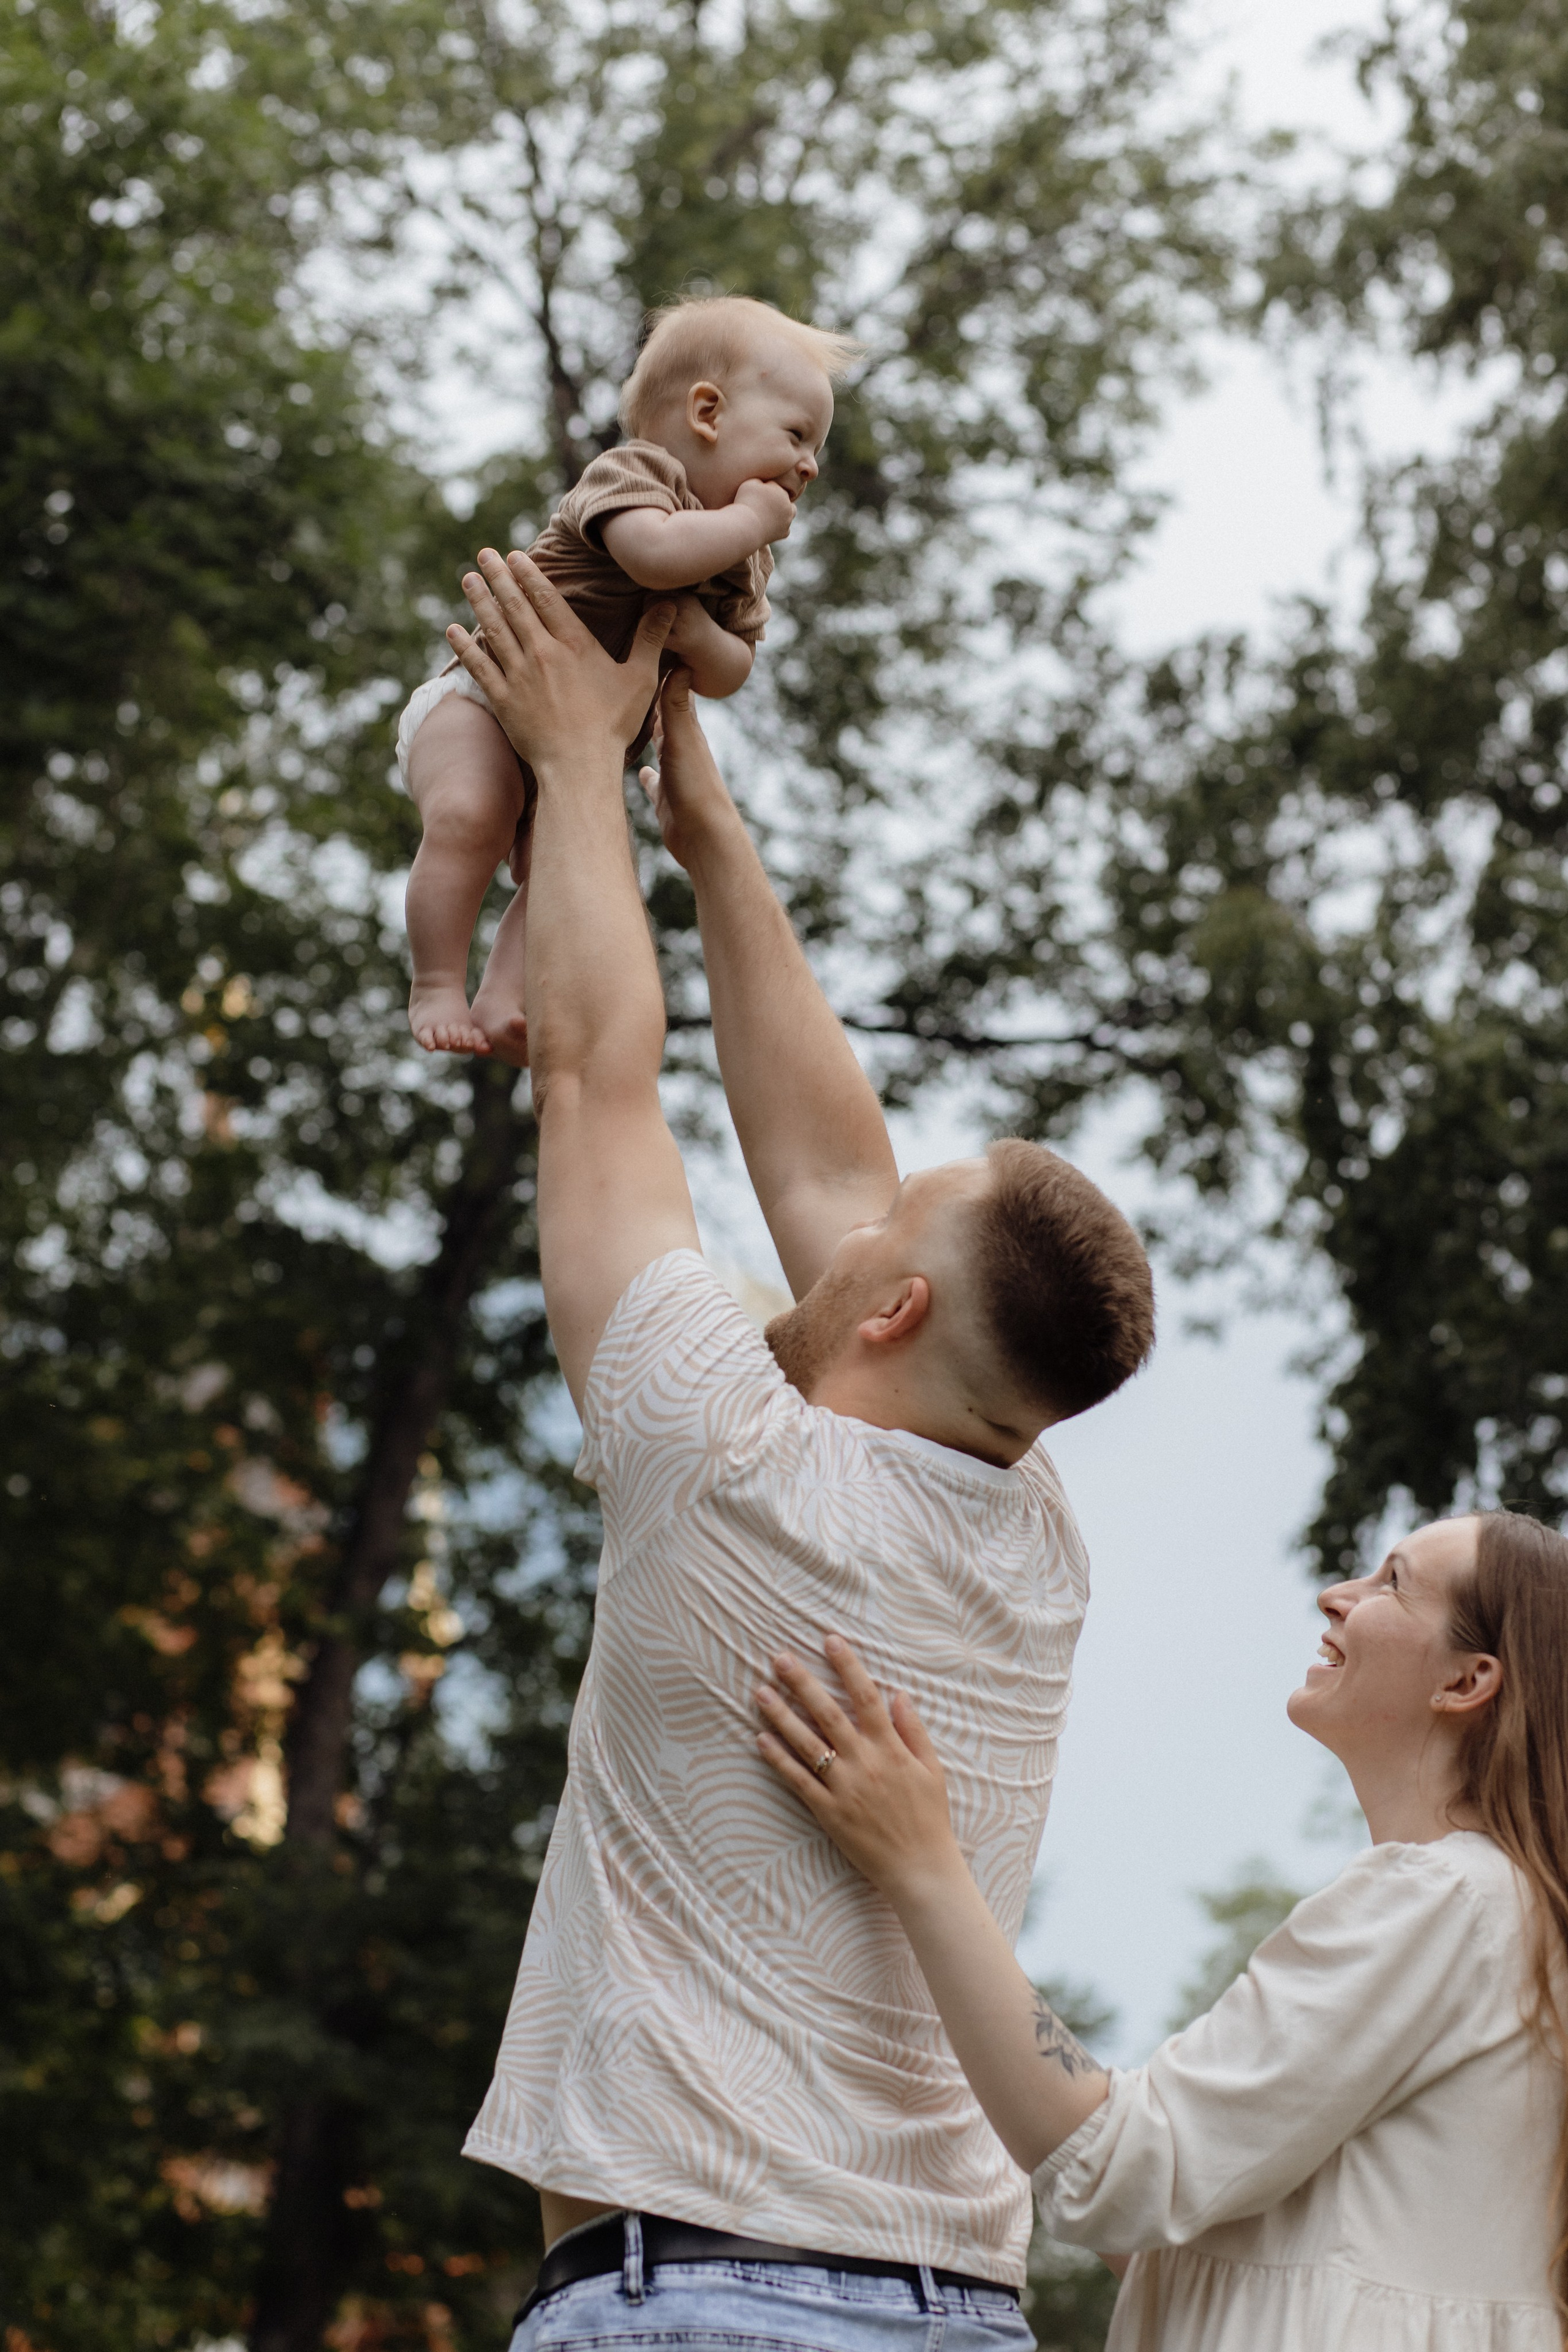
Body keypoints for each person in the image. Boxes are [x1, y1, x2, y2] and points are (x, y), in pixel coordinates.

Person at [439, 546, 1155, 2348]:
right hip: (961, 2310)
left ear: (892, 1312)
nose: (837, 1214)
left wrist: (578, 752)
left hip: (697, 2301)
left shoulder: (721, 1447)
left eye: (884, 1229)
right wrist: (707, 827)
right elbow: (840, 1175)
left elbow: (599, 1070)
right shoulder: (1036, 1546)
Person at [756, 1509, 1568, 2349]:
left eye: (1391, 1583)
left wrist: (924, 1864)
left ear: (1468, 1682)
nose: (1337, 1597)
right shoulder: (1506, 1917)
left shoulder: (1440, 1899)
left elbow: (1126, 2171)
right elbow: (1176, 2231)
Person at [394, 295, 854, 1063]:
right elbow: (652, 554)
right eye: (797, 435)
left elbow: (730, 670)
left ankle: (504, 996)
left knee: (571, 872)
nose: (809, 464)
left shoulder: (746, 562)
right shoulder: (636, 472)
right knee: (472, 815)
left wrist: (701, 631)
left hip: (576, 752)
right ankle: (436, 981)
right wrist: (746, 524)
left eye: (817, 449)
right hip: (481, 706)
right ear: (707, 412)